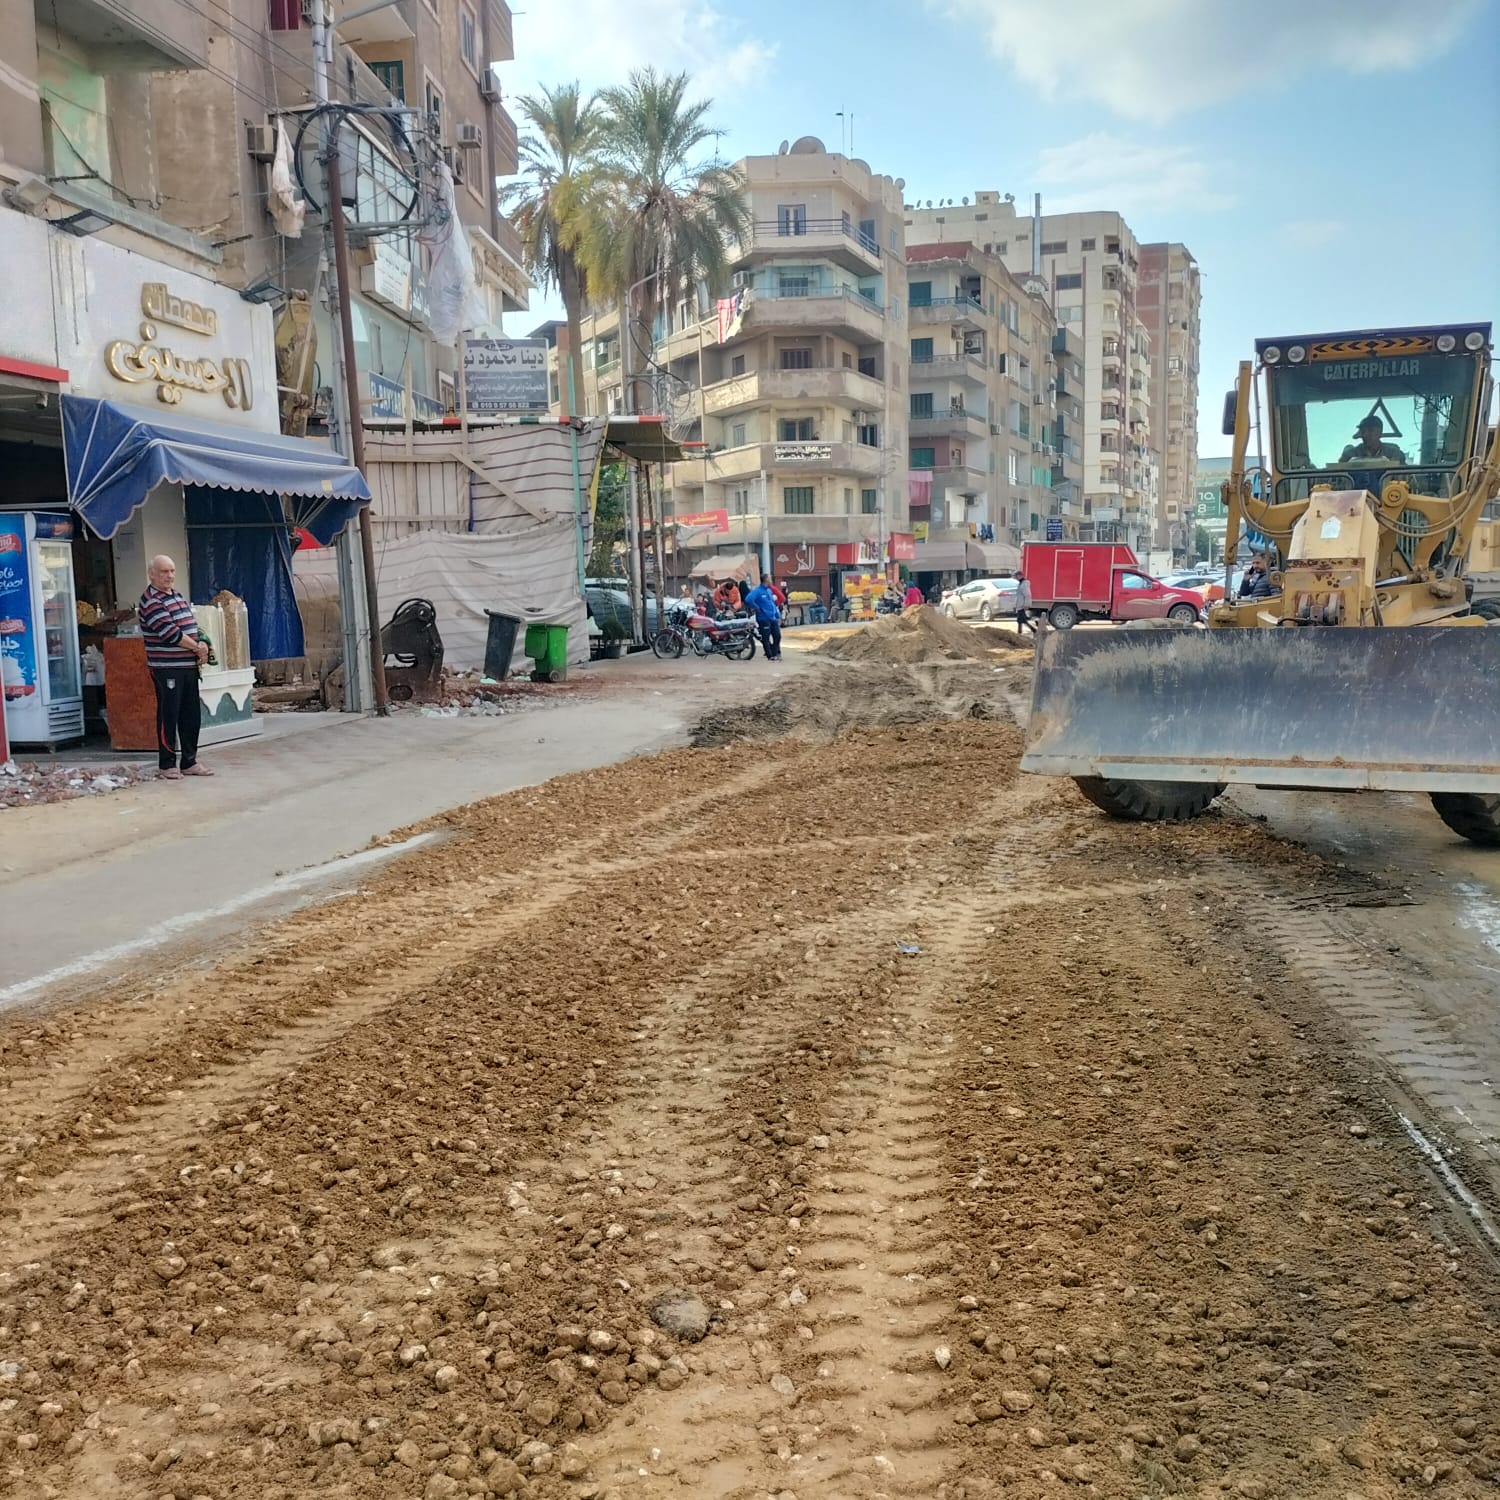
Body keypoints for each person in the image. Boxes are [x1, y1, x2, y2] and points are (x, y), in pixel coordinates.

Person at [137, 554, 212, 781]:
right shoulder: (151, 601)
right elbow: (171, 634)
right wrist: (196, 648)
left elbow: (191, 626)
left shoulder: (177, 596)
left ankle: (189, 761)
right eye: (163, 572)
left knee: (191, 715)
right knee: (169, 715)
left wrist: (203, 644)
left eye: (171, 571)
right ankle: (167, 764)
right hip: (167, 667)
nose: (169, 576)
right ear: (151, 574)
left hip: (187, 666)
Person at [1339, 416, 1407, 467]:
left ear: (1380, 433)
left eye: (1370, 430)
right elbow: (1338, 477)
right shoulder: (1350, 454)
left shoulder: (1393, 453)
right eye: (1363, 431)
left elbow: (1405, 476)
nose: (1365, 434)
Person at [744, 577, 783, 661]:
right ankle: (770, 656)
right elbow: (748, 599)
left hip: (772, 618)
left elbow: (773, 605)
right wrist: (757, 608)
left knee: (777, 636)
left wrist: (777, 616)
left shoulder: (769, 591)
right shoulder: (757, 591)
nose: (771, 581)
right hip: (763, 618)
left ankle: (775, 653)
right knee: (766, 637)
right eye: (770, 579)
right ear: (766, 581)